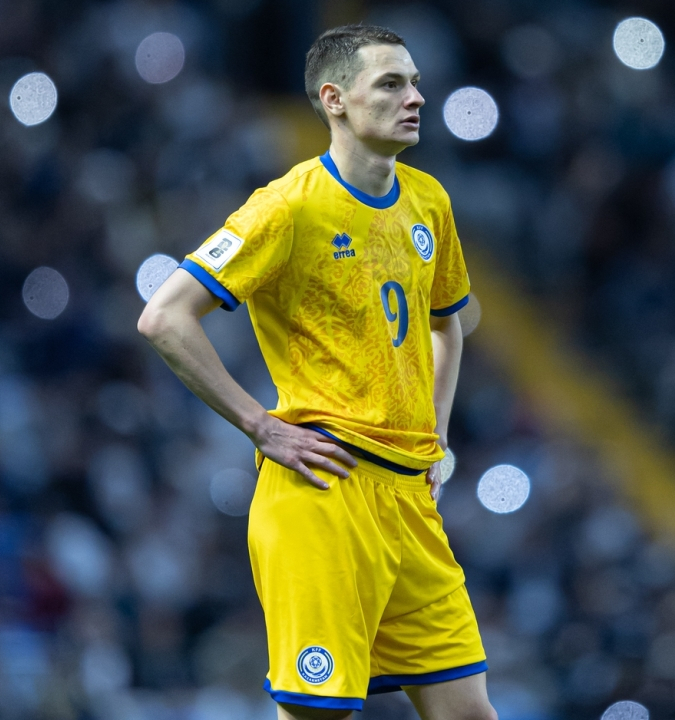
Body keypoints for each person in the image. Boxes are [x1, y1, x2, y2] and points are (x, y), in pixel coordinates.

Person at [138, 24, 496, 720]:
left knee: (468, 713)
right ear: (335, 99)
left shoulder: (429, 201)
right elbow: (164, 317)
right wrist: (260, 426)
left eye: (415, 82)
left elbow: (445, 324)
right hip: (324, 489)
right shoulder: (288, 205)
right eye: (390, 83)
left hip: (410, 500)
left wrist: (437, 435)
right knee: (318, 715)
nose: (415, 98)